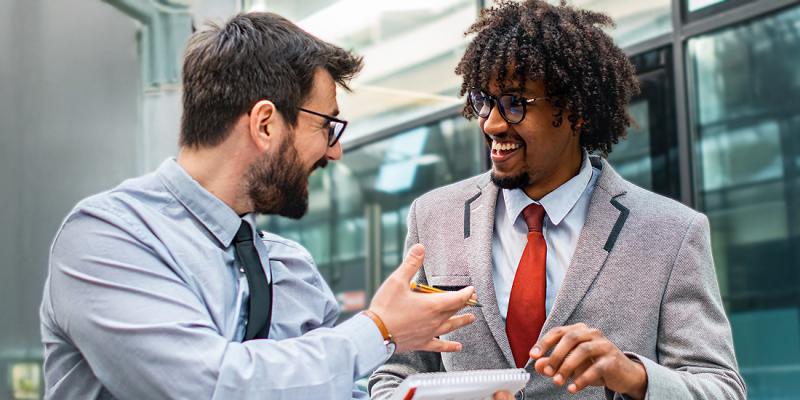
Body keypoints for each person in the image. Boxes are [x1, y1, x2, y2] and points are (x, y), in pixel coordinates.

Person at [39, 12, 480, 399]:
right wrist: (379, 330)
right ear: (265, 124)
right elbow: (206, 387)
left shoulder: (292, 267)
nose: (335, 151)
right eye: (327, 126)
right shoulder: (108, 238)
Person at [369, 1, 746, 399]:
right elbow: (393, 375)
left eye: (515, 104)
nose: (491, 123)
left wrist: (634, 376)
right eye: (484, 101)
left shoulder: (672, 232)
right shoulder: (433, 216)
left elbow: (721, 388)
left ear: (575, 113)